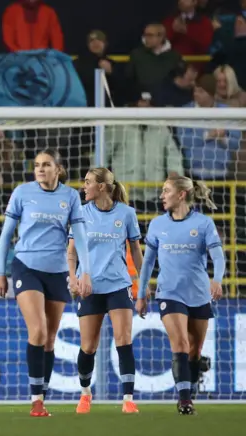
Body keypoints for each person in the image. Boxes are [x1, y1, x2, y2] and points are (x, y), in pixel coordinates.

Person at [0, 149, 91, 417]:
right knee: (37, 330)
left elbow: (80, 238)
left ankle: (41, 397)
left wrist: (84, 272)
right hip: (26, 267)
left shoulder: (70, 196)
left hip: (57, 273)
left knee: (49, 340)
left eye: (46, 165)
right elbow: (6, 235)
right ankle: (36, 400)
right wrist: (0, 272)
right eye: (37, 165)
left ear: (58, 169)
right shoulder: (22, 193)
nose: (40, 169)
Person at [136, 175, 224, 415]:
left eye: (166, 191)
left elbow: (217, 256)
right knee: (182, 344)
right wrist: (142, 291)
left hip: (198, 294)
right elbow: (148, 263)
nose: (162, 196)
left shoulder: (204, 224)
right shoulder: (156, 225)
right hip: (169, 293)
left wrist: (217, 280)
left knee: (194, 350)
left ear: (181, 194)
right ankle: (184, 400)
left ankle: (191, 387)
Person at [67, 168, 143, 414]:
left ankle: (128, 399)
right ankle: (85, 392)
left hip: (118, 284)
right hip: (89, 287)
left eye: (88, 182)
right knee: (88, 346)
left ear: (101, 187)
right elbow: (71, 252)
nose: (83, 186)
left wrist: (143, 284)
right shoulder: (79, 213)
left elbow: (136, 251)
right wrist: (72, 279)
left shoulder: (127, 213)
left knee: (124, 339)